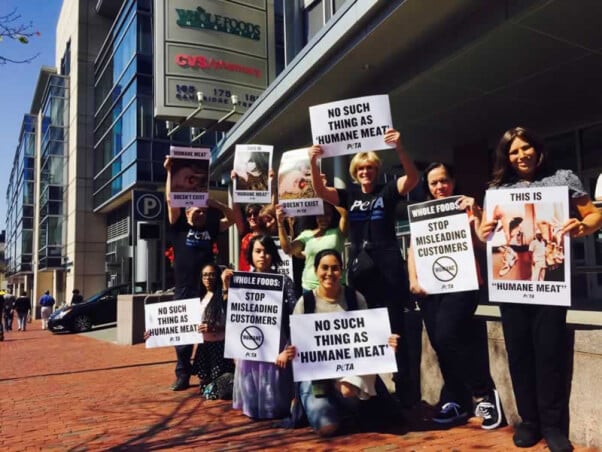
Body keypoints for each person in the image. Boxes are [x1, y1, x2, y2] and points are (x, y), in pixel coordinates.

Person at [478, 126, 602, 452]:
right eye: (514, 151)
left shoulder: (563, 178)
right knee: (519, 356)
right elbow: (485, 232)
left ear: (537, 148)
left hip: (550, 285)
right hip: (511, 289)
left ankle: (552, 427)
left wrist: (581, 226)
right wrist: (483, 229)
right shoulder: (497, 189)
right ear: (507, 157)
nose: (521, 156)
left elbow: (594, 215)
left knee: (549, 355)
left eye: (526, 148)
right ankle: (529, 422)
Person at [309, 128, 419, 406]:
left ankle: (404, 389)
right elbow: (320, 190)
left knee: (396, 329)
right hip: (361, 270)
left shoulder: (388, 190)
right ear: (354, 171)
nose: (366, 172)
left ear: (376, 169)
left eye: (370, 167)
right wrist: (313, 161)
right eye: (361, 168)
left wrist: (400, 148)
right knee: (361, 329)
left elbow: (413, 179)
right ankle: (365, 392)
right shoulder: (349, 195)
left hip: (390, 268)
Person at [407, 162, 503, 429]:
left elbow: (484, 240)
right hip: (429, 289)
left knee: (447, 335)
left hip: (462, 284)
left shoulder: (466, 207)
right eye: (433, 183)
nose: (440, 187)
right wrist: (413, 279)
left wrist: (475, 213)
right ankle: (455, 399)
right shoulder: (423, 213)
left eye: (444, 181)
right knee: (439, 343)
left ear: (453, 180)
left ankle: (483, 392)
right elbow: (414, 249)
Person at [280, 249, 399, 436]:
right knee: (326, 428)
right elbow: (296, 339)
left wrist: (386, 342)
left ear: (342, 271)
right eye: (324, 268)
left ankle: (346, 405)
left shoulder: (354, 298)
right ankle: (328, 407)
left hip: (348, 373)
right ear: (315, 270)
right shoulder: (306, 302)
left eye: (335, 268)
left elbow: (369, 335)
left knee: (347, 390)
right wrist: (287, 352)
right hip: (316, 378)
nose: (329, 273)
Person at [164, 155, 243, 391]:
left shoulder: (210, 225)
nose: (199, 214)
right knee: (184, 335)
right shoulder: (178, 227)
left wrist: (215, 204)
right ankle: (182, 373)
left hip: (208, 288)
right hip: (185, 287)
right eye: (194, 211)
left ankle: (208, 368)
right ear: (186, 212)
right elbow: (171, 200)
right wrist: (170, 171)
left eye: (201, 211)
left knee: (210, 329)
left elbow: (234, 219)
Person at [222, 234, 296, 419]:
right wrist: (225, 286)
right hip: (249, 344)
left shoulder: (284, 281)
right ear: (251, 254)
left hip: (276, 343)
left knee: (275, 395)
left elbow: (295, 316)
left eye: (267, 251)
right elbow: (233, 316)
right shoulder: (241, 280)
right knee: (252, 393)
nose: (263, 255)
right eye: (258, 251)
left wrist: (287, 348)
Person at [276, 202, 347, 291]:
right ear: (315, 216)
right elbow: (288, 250)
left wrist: (329, 198)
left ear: (333, 215)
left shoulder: (338, 232)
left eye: (328, 214)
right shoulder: (306, 234)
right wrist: (280, 224)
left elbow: (345, 215)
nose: (324, 218)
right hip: (309, 288)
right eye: (320, 214)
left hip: (335, 286)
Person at [191, 263, 234, 399]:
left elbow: (231, 323)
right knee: (205, 386)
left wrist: (213, 328)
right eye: (204, 275)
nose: (208, 278)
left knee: (217, 390)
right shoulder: (200, 297)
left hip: (219, 345)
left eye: (211, 275)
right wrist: (154, 333)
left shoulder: (223, 296)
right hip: (204, 345)